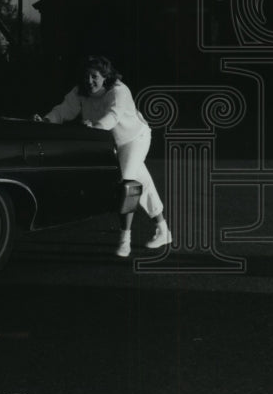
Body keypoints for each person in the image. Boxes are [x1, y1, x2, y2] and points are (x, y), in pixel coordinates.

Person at [35, 55, 171, 257]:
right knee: (141, 182)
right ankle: (163, 229)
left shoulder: (119, 90)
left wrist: (95, 129)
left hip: (136, 138)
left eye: (94, 76)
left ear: (105, 76)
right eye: (86, 76)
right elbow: (63, 110)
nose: (89, 81)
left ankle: (125, 240)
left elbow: (113, 117)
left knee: (127, 182)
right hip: (113, 142)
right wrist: (46, 119)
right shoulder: (80, 91)